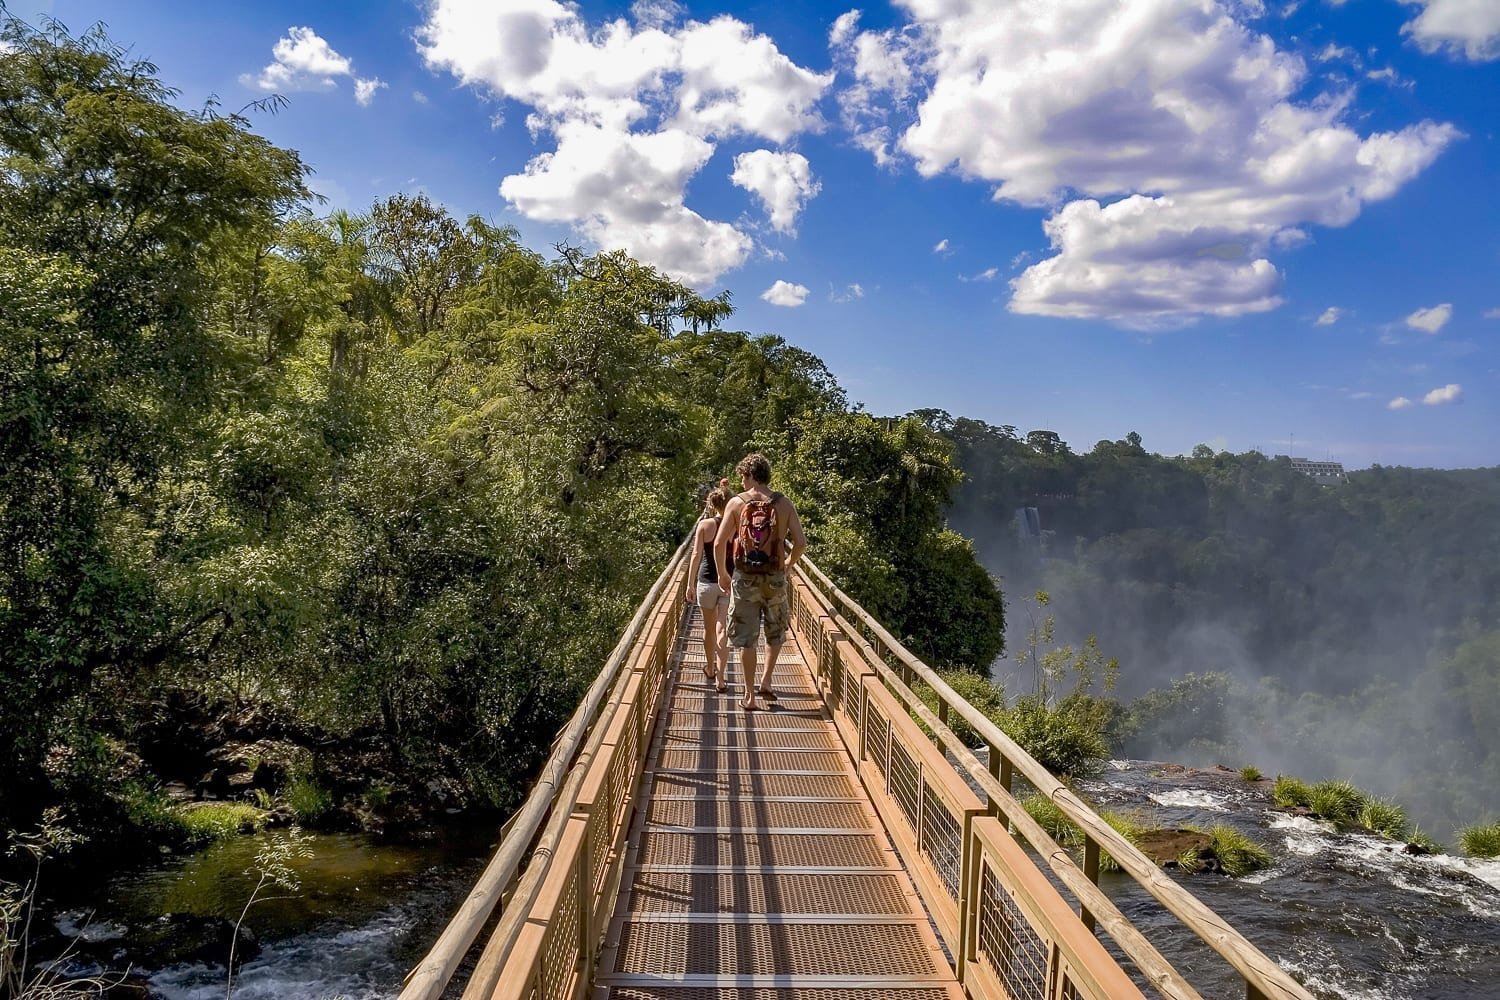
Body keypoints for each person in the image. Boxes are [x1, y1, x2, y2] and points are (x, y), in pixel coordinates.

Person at [715, 453, 807, 711]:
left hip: (744, 578)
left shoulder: (736, 503)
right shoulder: (784, 503)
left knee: (746, 638)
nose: (742, 483)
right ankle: (766, 680)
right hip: (775, 577)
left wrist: (723, 573)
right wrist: (788, 566)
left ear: (751, 475)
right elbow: (800, 543)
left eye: (743, 477)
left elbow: (721, 542)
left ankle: (749, 694)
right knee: (775, 631)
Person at [685, 478, 732, 693]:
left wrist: (690, 584)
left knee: (709, 629)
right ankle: (721, 679)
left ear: (711, 505)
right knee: (722, 628)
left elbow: (695, 555)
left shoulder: (704, 525)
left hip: (705, 583)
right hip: (727, 582)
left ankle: (711, 668)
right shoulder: (734, 526)